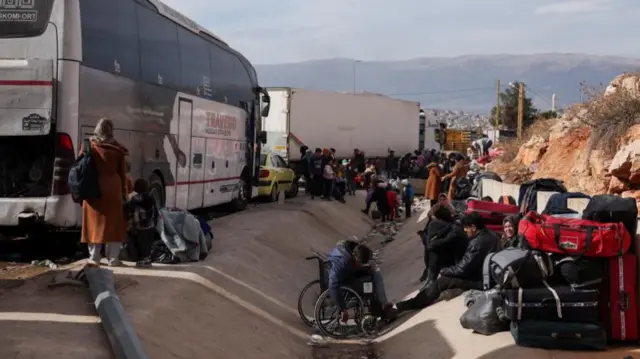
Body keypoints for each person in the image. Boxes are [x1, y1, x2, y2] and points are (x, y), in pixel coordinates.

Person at [392, 212, 500, 314]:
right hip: (487, 275)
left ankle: (408, 304)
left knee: (442, 281)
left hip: (482, 281)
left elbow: (462, 270)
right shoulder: (491, 234)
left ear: (473, 227)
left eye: (466, 227)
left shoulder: (477, 243)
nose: (465, 230)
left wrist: (444, 271)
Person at [81, 118, 129, 267]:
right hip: (113, 189)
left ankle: (94, 257)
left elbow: (80, 165)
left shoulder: (89, 145)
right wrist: (124, 192)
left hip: (93, 188)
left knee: (94, 223)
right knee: (113, 223)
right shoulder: (118, 149)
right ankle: (113, 259)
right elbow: (122, 173)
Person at [327, 240, 393, 322]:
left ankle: (384, 304)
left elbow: (356, 267)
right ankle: (378, 311)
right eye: (360, 263)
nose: (361, 264)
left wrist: (367, 269)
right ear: (355, 257)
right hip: (343, 283)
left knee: (376, 274)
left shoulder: (355, 250)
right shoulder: (342, 264)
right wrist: (343, 309)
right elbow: (333, 285)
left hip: (349, 273)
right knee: (368, 287)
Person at [421, 206, 467, 285]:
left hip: (457, 263)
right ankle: (430, 277)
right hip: (452, 259)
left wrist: (433, 241)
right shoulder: (449, 225)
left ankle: (431, 278)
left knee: (434, 249)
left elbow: (432, 245)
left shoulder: (439, 224)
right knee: (434, 247)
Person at [125, 178, 159, 267]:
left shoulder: (134, 199)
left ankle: (145, 260)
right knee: (148, 243)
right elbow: (156, 211)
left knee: (142, 243)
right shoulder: (151, 198)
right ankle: (148, 258)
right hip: (150, 225)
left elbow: (129, 211)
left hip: (140, 226)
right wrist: (155, 221)